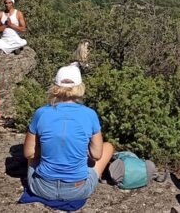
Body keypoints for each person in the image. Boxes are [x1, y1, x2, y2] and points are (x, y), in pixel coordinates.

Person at [23, 63, 115, 202]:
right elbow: (96, 155)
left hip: (41, 188)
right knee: (108, 147)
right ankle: (94, 177)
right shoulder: (90, 114)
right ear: (79, 88)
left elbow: (28, 153)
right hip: (77, 190)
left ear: (55, 87)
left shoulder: (41, 113)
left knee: (35, 152)